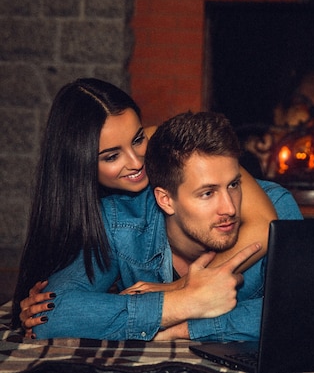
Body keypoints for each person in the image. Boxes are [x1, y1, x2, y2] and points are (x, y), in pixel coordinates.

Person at [12, 78, 286, 336]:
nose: (136, 162)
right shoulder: (111, 217)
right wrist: (184, 302)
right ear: (79, 164)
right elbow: (53, 314)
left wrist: (178, 299)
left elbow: (301, 308)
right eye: (112, 156)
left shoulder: (165, 149)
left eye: (138, 139)